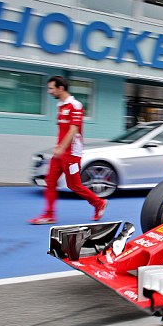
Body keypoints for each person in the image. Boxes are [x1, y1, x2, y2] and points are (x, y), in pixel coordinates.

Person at [29, 76, 108, 224]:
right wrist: (59, 148)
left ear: (61, 88)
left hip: (71, 154)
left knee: (74, 185)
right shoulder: (61, 106)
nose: (49, 91)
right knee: (50, 181)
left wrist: (62, 148)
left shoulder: (75, 105)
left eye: (51, 88)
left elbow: (73, 129)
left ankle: (99, 203)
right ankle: (49, 215)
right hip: (60, 153)